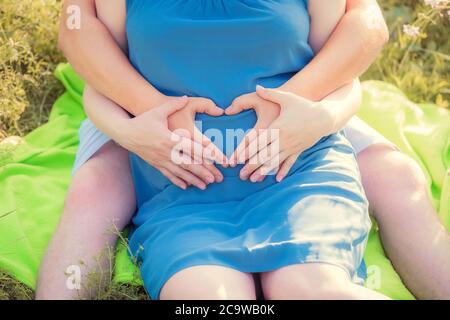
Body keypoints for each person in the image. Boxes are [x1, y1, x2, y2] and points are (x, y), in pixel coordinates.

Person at [36, 0, 450, 300]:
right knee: (95, 193)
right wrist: (145, 116)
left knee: (392, 180)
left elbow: (361, 31)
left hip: (294, 141)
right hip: (164, 146)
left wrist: (305, 108)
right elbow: (82, 38)